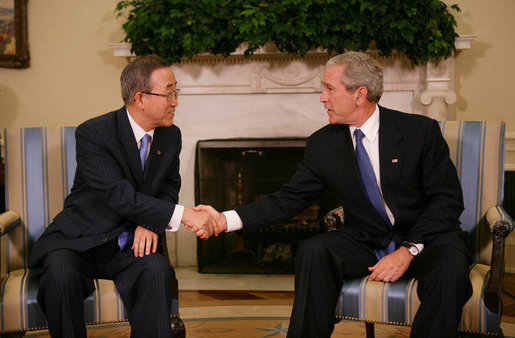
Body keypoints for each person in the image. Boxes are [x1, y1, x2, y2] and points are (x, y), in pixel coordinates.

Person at [193, 51, 472, 337]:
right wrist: (224, 220)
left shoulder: (419, 131)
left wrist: (408, 249)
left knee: (450, 270)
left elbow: (446, 200)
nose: (322, 98)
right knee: (314, 250)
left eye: (329, 88)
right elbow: (288, 199)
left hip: (426, 240)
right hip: (367, 240)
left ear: (360, 94)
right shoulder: (323, 143)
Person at [29, 55, 214, 338]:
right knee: (60, 278)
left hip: (129, 244)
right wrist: (185, 214)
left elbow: (168, 188)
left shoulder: (170, 135)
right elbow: (119, 195)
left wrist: (150, 223)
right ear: (140, 98)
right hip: (80, 241)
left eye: (176, 92)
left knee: (157, 270)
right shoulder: (94, 133)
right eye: (169, 93)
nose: (175, 101)